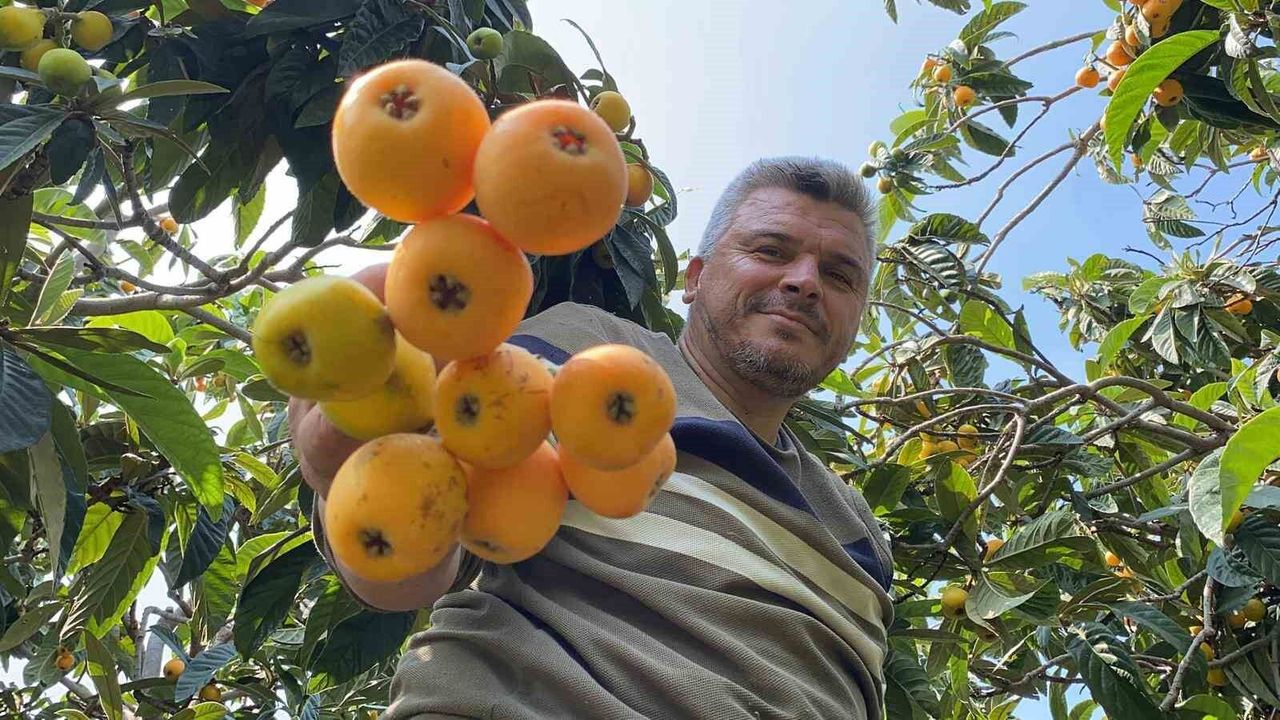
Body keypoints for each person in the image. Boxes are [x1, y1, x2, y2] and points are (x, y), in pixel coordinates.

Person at [288, 156, 894, 720]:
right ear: (695, 277)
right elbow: (410, 565)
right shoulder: (587, 350)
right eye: (770, 250)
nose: (805, 282)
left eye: (839, 276)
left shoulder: (856, 523)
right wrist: (357, 457)